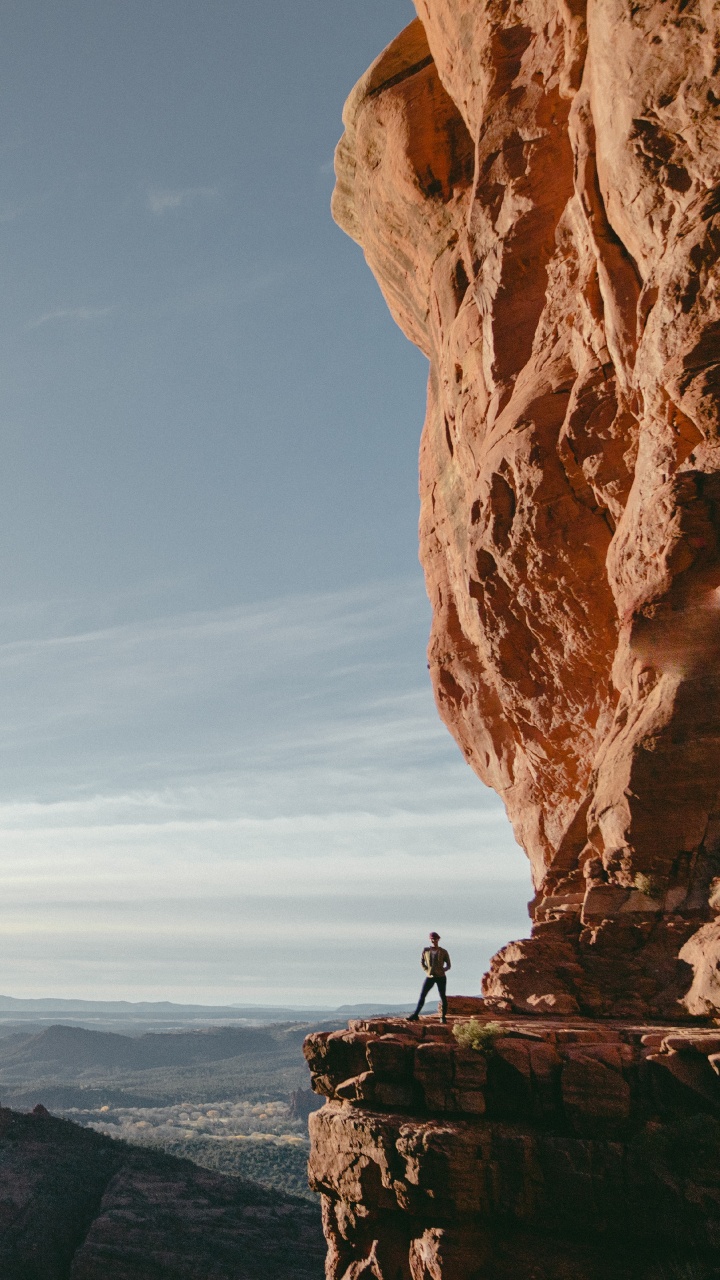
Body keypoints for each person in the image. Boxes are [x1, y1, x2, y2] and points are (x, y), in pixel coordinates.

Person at [407, 931, 451, 1023]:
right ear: (430, 940)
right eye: (432, 939)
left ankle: (443, 1017)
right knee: (423, 994)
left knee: (442, 996)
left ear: (438, 939)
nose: (433, 940)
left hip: (441, 977)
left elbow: (449, 965)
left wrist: (443, 970)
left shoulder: (443, 951)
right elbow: (422, 962)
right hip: (430, 976)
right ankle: (415, 1015)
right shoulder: (426, 950)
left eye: (435, 939)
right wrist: (427, 970)